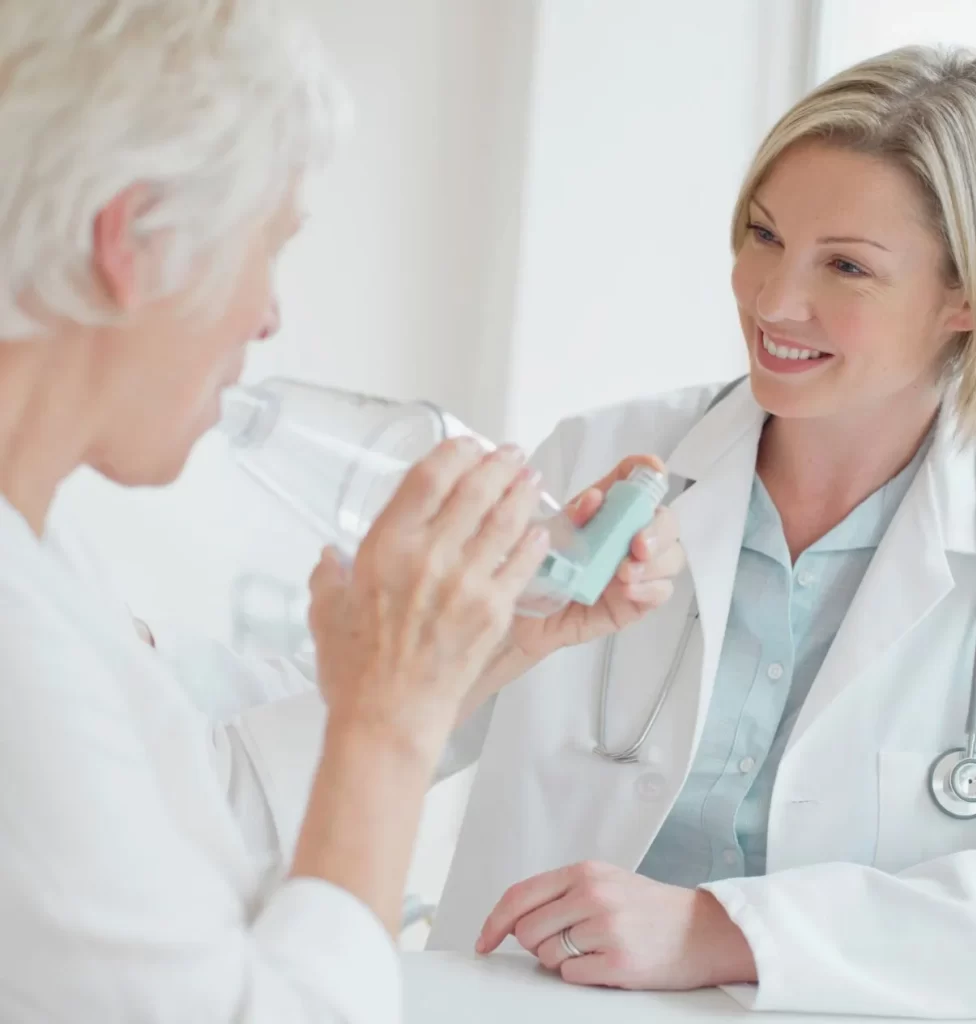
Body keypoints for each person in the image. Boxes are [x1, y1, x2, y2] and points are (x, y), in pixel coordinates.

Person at [0, 2, 685, 1021]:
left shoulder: (46, 564)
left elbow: (193, 796)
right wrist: (387, 724)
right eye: (265, 246)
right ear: (131, 240)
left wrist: (482, 647)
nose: (267, 313)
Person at [426, 45, 976, 1018]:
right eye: (762, 235)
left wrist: (723, 929)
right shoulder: (603, 459)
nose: (772, 300)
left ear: (965, 297)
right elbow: (400, 700)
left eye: (846, 266)